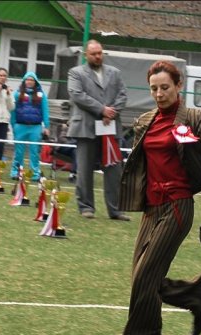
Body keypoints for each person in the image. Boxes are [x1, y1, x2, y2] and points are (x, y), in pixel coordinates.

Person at [117, 60, 201, 335]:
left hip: (177, 205)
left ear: (178, 86)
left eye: (165, 87)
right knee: (141, 274)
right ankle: (195, 298)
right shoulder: (145, 120)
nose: (159, 94)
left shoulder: (191, 118)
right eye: (154, 89)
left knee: (146, 273)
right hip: (152, 208)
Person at [67, 39, 130, 221]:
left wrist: (111, 112)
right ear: (86, 55)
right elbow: (77, 95)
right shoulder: (76, 73)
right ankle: (86, 207)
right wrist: (102, 109)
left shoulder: (115, 73)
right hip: (86, 128)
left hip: (109, 128)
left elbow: (123, 95)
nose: (97, 56)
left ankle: (116, 210)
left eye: (100, 53)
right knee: (85, 170)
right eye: (94, 53)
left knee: (114, 170)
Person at [10, 72, 49, 181]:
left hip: (35, 127)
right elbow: (13, 111)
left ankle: (35, 173)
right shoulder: (17, 94)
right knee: (18, 151)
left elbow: (45, 111)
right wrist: (13, 125)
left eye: (32, 80)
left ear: (35, 82)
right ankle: (16, 172)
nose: (29, 82)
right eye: (27, 80)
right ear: (24, 81)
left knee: (35, 151)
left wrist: (47, 126)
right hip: (20, 126)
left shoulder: (41, 95)